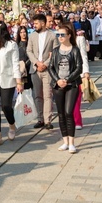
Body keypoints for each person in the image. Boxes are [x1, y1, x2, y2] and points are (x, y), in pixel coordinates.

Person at [48, 23, 83, 154]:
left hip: (71, 85)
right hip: (58, 85)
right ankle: (65, 141)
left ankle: (72, 142)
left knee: (69, 112)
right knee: (61, 113)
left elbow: (79, 68)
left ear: (69, 36)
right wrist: (57, 80)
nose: (60, 37)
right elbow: (50, 67)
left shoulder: (75, 50)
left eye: (63, 34)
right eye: (58, 35)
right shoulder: (56, 50)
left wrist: (67, 79)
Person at [26, 13, 57, 129]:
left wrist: (45, 64)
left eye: (36, 23)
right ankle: (40, 119)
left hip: (47, 70)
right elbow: (29, 51)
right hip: (35, 69)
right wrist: (36, 62)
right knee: (37, 95)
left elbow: (55, 52)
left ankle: (48, 120)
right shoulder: (32, 36)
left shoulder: (52, 36)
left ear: (43, 23)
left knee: (47, 95)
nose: (34, 25)